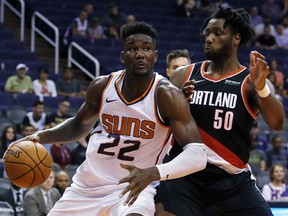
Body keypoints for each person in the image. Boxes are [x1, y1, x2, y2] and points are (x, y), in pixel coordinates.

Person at [5, 22, 206, 216]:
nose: (140, 54)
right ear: (122, 56)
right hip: (86, 187)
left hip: (133, 188)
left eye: (146, 49)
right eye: (132, 48)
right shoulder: (103, 86)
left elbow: (198, 155)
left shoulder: (166, 96)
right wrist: (39, 137)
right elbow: (78, 125)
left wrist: (154, 172)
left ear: (155, 56)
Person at [153, 5, 284, 215]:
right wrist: (176, 107)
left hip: (231, 180)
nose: (209, 38)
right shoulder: (183, 75)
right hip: (185, 177)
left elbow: (277, 124)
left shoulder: (251, 82)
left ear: (236, 38)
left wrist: (261, 88)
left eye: (217, 33)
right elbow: (159, 122)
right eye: (207, 33)